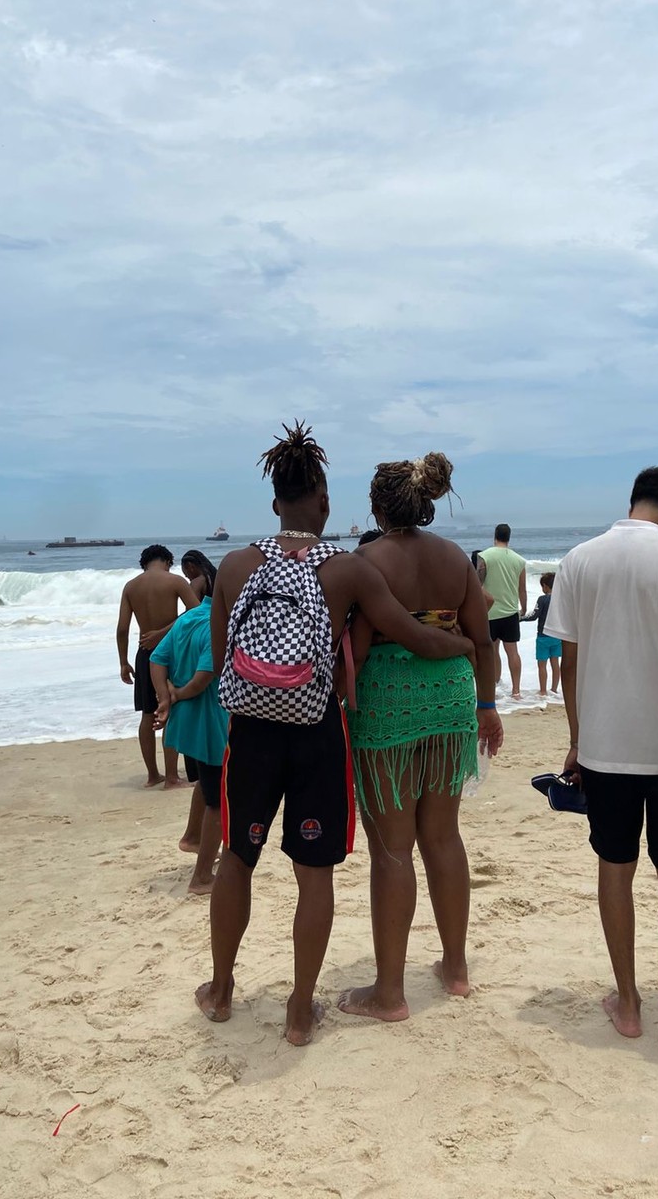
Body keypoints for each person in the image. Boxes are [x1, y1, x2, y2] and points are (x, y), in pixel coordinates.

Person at [196, 421, 477, 1047]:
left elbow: (220, 662)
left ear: (274, 504)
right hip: (319, 734)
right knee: (313, 872)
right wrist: (462, 645)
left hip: (252, 736)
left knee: (236, 860)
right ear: (325, 502)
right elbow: (407, 633)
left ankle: (220, 991)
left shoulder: (236, 566)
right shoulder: (347, 570)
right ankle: (300, 1010)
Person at [544, 465, 658, 1049]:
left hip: (604, 746)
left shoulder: (579, 558)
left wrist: (576, 735)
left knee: (614, 868)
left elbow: (569, 661)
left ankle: (630, 1002)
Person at [336, 454, 502, 1023]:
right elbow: (482, 641)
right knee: (444, 836)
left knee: (392, 848)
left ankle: (390, 993)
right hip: (452, 697)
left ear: (378, 507)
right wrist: (486, 705)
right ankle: (454, 969)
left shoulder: (366, 559)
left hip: (387, 701)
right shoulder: (456, 557)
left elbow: (354, 647)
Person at [150, 560, 227, 895]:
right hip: (211, 724)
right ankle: (202, 878)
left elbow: (157, 659)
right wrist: (178, 693)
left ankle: (192, 837)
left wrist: (164, 697)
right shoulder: (217, 625)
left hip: (185, 726)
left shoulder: (188, 619)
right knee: (220, 801)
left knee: (205, 786)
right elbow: (203, 677)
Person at [116, 545, 198, 787]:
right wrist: (163, 632)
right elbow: (196, 613)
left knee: (148, 713)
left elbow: (122, 628)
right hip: (170, 653)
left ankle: (153, 775)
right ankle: (172, 777)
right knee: (170, 711)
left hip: (143, 654)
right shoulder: (175, 581)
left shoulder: (131, 586)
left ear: (145, 563)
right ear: (167, 560)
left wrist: (123, 662)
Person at [477, 525, 528, 699]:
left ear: (495, 536)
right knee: (512, 652)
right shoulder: (519, 560)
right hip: (510, 612)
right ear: (509, 537)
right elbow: (522, 589)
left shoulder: (484, 556)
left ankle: (493, 686)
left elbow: (478, 585)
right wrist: (524, 608)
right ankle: (516, 691)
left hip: (489, 612)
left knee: (492, 651)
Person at [522, 572, 561, 698]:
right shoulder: (560, 599)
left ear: (545, 586)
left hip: (543, 636)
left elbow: (534, 616)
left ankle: (543, 691)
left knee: (542, 665)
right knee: (555, 663)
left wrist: (521, 618)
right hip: (557, 635)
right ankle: (554, 689)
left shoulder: (542, 599)